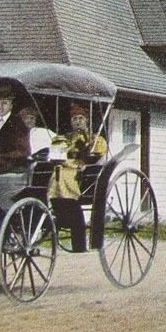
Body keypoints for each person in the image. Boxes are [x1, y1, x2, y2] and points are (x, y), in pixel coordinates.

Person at [47, 103, 107, 253]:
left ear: (86, 120)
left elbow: (98, 154)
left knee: (62, 174)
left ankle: (66, 205)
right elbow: (56, 153)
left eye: (81, 118)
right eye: (75, 119)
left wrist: (87, 157)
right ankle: (55, 208)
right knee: (54, 171)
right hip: (63, 166)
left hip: (80, 171)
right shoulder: (65, 137)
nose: (78, 121)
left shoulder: (94, 138)